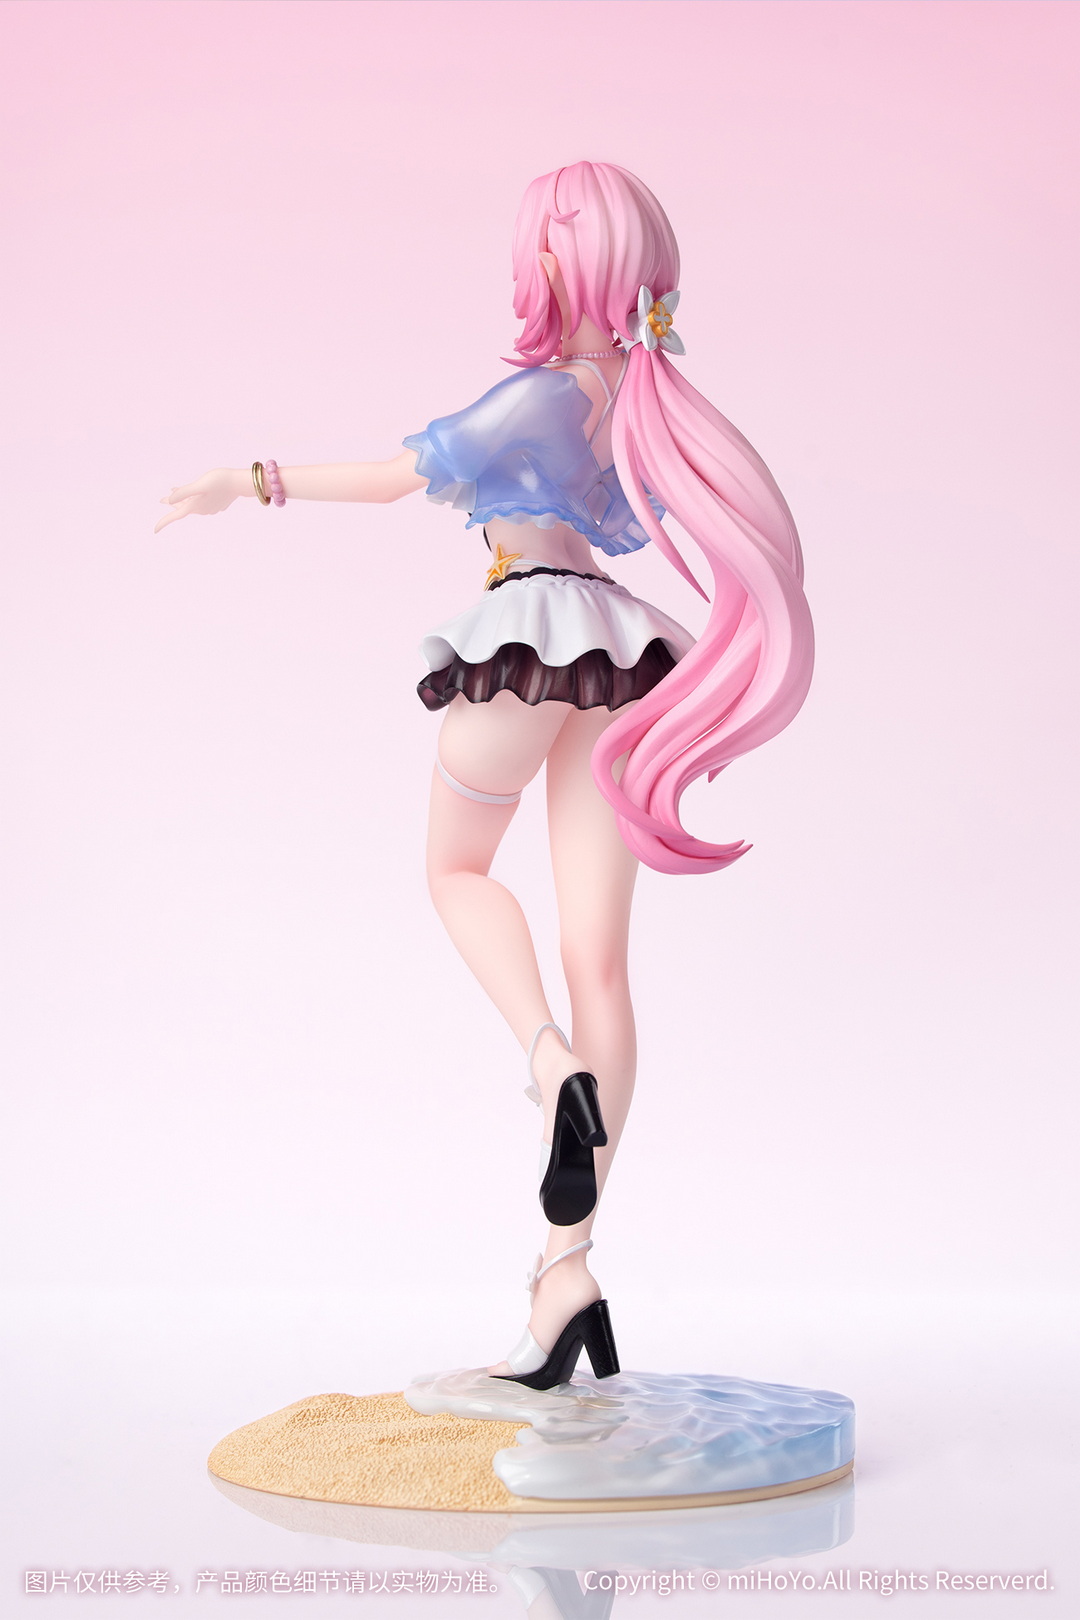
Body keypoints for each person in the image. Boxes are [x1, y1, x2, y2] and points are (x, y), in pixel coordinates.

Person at [156, 161, 814, 1389]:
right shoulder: (650, 405)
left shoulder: (538, 397)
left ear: (555, 261)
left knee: (456, 872)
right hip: (622, 660)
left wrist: (246, 483)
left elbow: (394, 477)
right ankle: (568, 1268)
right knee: (602, 962)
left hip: (527, 643)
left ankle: (547, 1063)